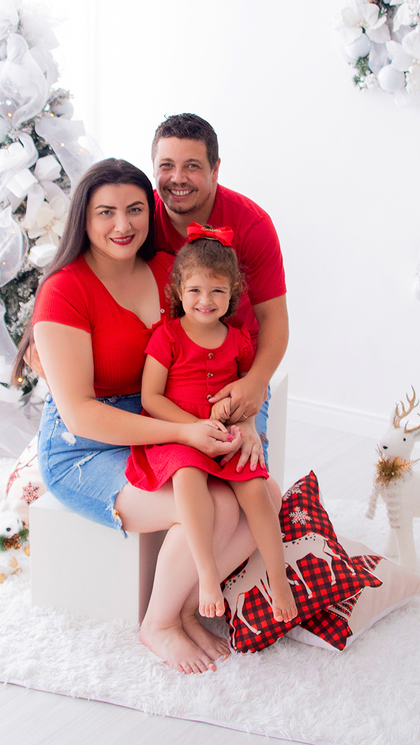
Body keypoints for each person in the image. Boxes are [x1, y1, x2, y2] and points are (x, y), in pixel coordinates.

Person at [11, 158, 278, 674]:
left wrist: (242, 418)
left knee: (264, 493)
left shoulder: (164, 271)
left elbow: (215, 356)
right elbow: (83, 415)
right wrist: (185, 432)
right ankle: (157, 623)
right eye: (105, 212)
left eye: (135, 209)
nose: (123, 225)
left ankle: (184, 607)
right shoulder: (64, 291)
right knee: (211, 507)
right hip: (87, 446)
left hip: (164, 425)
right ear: (83, 220)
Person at [126, 224, 297, 625]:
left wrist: (245, 422)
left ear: (232, 293)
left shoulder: (238, 340)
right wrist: (193, 428)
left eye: (218, 292)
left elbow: (248, 395)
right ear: (179, 291)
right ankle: (206, 574)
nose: (206, 301)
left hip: (226, 432)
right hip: (178, 434)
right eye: (196, 291)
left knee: (256, 488)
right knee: (188, 476)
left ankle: (278, 575)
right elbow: (151, 398)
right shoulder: (166, 337)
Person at [150, 114, 289, 444]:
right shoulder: (139, 218)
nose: (178, 178)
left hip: (233, 373)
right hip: (168, 372)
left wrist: (255, 382)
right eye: (166, 165)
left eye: (193, 166)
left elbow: (275, 319)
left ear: (215, 169)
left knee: (246, 469)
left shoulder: (252, 225)